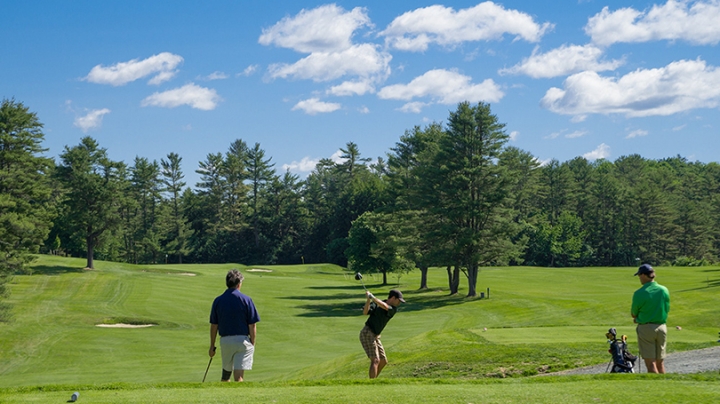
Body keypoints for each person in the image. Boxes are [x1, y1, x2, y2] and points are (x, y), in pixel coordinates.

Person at [209, 269, 260, 382]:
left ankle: (224, 396)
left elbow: (214, 325)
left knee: (226, 375)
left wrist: (212, 346)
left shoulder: (218, 300)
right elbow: (252, 324)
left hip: (225, 341)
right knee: (239, 376)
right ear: (239, 284)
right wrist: (253, 342)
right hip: (242, 341)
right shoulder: (246, 300)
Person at [631, 263, 670, 374]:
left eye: (639, 275)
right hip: (662, 327)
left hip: (646, 328)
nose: (639, 278)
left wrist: (638, 318)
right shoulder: (664, 290)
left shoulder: (639, 293)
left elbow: (634, 314)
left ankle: (656, 388)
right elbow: (666, 309)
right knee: (660, 362)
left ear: (643, 275)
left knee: (650, 363)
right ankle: (665, 385)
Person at [359, 289, 405, 379]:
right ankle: (372, 383)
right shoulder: (376, 303)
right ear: (393, 298)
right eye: (399, 300)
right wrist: (368, 299)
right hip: (367, 332)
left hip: (375, 335)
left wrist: (373, 297)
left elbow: (385, 306)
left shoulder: (393, 309)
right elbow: (365, 312)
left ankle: (374, 380)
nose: (399, 303)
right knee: (375, 360)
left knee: (383, 361)